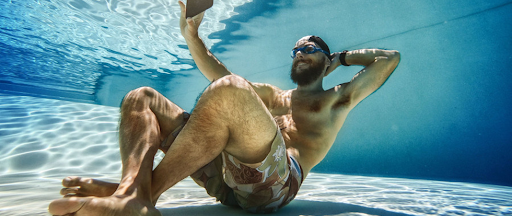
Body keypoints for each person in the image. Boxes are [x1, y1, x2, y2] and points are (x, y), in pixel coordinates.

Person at [48, 1, 400, 215]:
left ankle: (138, 194)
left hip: (275, 190)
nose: (301, 52)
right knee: (141, 98)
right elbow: (217, 76)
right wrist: (192, 36)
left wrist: (339, 58)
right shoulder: (272, 97)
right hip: (226, 180)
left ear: (325, 62)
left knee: (231, 91)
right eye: (296, 50)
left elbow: (388, 60)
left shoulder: (336, 100)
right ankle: (131, 192)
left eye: (311, 49)